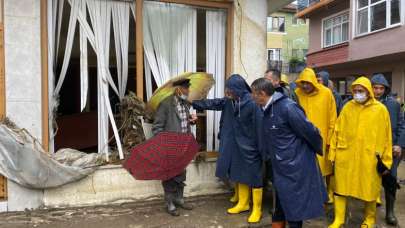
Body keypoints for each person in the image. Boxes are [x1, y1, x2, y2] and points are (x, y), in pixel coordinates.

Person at [251, 78, 327, 228]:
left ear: (262, 93)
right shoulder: (265, 108)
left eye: (253, 93)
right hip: (278, 165)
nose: (251, 96)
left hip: (294, 165)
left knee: (294, 206)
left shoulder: (288, 107)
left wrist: (308, 154)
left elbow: (310, 132)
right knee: (280, 202)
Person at [192, 74, 263, 223]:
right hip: (235, 144)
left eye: (230, 90)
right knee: (238, 172)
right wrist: (193, 103)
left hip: (251, 147)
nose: (227, 93)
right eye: (227, 89)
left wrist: (261, 149)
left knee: (255, 177)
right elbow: (213, 103)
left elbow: (260, 128)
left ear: (239, 89)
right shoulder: (230, 101)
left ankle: (257, 209)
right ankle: (243, 203)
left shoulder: (253, 103)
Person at [328, 77, 393, 228]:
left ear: (368, 91)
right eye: (355, 91)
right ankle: (338, 219)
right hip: (346, 155)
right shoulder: (347, 107)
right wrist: (333, 154)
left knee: (369, 188)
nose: (357, 94)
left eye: (361, 91)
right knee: (341, 188)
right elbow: (336, 131)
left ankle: (369, 220)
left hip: (369, 157)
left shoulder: (380, 110)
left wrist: (386, 161)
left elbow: (387, 137)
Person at [152, 78, 197, 216]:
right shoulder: (165, 105)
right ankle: (169, 202)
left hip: (184, 145)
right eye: (186, 88)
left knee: (181, 173)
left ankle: (178, 199)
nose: (188, 91)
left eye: (188, 88)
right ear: (178, 89)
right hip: (170, 146)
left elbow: (184, 123)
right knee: (169, 175)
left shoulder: (185, 105)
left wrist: (192, 121)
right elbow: (157, 127)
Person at [295, 68, 337, 203]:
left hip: (322, 137)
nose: (305, 86)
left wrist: (331, 138)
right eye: (303, 83)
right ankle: (308, 194)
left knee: (325, 167)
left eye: (308, 82)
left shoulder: (326, 93)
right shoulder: (297, 94)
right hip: (302, 138)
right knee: (304, 167)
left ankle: (328, 193)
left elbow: (332, 117)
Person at [371, 73, 403, 225]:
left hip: (392, 149)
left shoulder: (394, 104)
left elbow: (402, 125)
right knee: (372, 177)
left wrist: (399, 144)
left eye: (381, 88)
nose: (377, 91)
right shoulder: (365, 104)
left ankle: (390, 212)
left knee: (390, 178)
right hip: (372, 149)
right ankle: (370, 207)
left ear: (386, 89)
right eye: (375, 88)